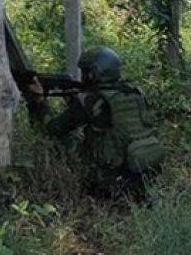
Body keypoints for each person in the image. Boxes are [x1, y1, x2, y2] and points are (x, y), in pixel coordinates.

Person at [32, 46, 164, 194]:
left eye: (85, 72)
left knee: (70, 138)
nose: (83, 77)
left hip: (110, 181)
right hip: (144, 176)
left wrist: (39, 102)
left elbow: (52, 129)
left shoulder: (92, 99)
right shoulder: (134, 93)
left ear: (93, 73)